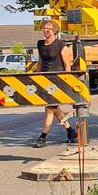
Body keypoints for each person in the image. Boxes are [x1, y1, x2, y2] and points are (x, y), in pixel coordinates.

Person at [33, 20, 78, 148]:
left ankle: (43, 137)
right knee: (54, 109)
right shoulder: (40, 44)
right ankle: (71, 132)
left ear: (54, 31)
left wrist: (67, 81)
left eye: (48, 28)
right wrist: (36, 76)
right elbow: (40, 62)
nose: (45, 30)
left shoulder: (61, 45)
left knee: (49, 108)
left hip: (57, 80)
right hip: (44, 79)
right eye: (44, 28)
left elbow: (67, 65)